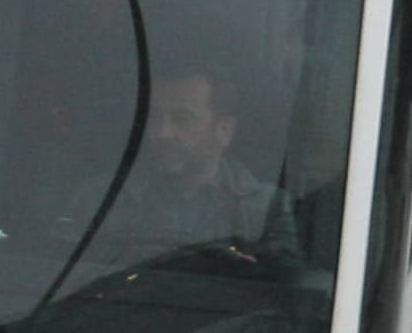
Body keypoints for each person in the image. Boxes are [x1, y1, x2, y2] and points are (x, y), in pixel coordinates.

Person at [51, 67, 298, 265]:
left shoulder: (267, 210)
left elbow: (288, 291)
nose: (162, 133)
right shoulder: (99, 198)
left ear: (224, 130)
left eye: (182, 120)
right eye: (155, 118)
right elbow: (61, 275)